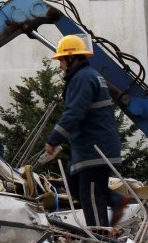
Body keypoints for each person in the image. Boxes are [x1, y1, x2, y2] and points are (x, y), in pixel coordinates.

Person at [44, 35, 123, 227]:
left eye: (61, 60)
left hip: (94, 149)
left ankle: (100, 239)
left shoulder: (82, 78)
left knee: (91, 196)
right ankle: (116, 201)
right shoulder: (88, 75)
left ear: (72, 58)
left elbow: (74, 112)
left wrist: (53, 140)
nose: (60, 65)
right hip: (88, 148)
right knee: (76, 188)